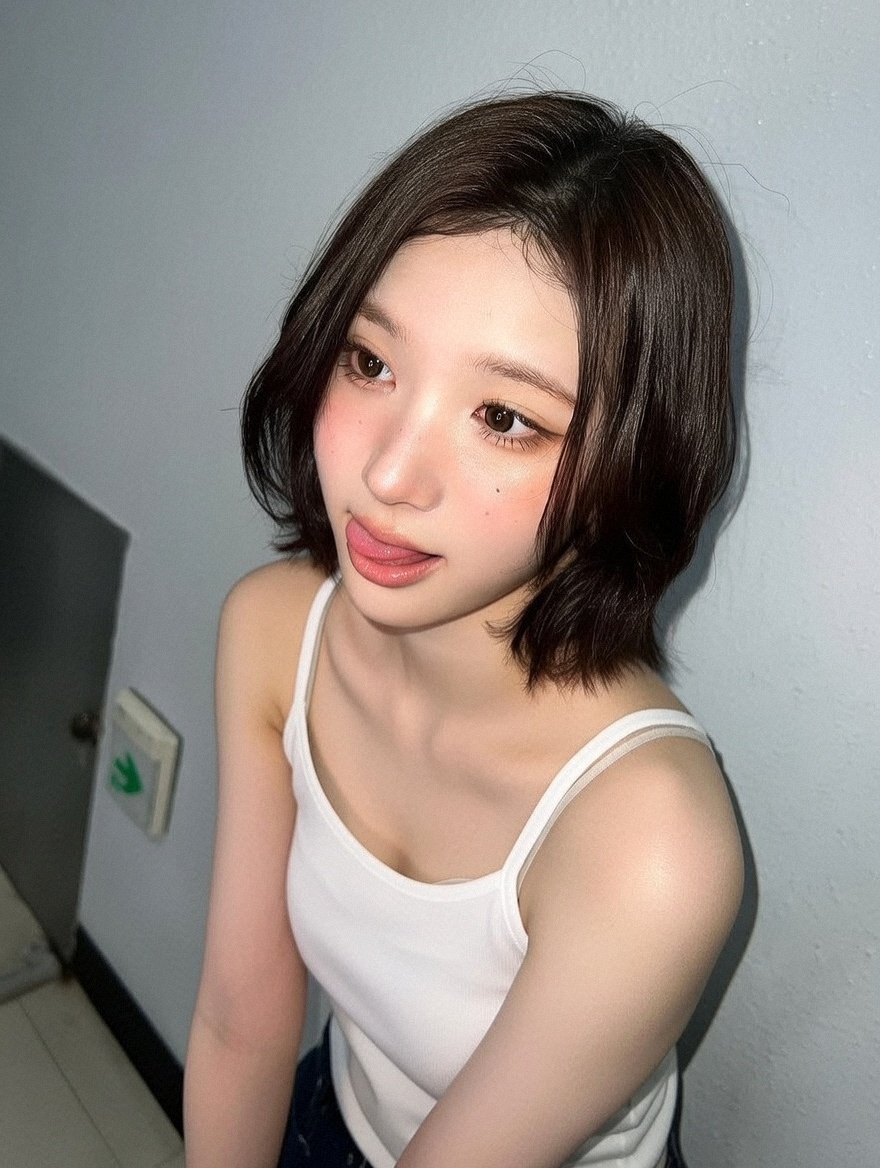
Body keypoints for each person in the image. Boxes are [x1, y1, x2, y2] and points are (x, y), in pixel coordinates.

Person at [183, 91, 744, 1168]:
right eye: (370, 363)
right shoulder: (273, 632)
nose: (389, 476)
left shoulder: (651, 844)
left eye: (504, 418)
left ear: (633, 460)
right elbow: (239, 1018)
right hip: (339, 1107)